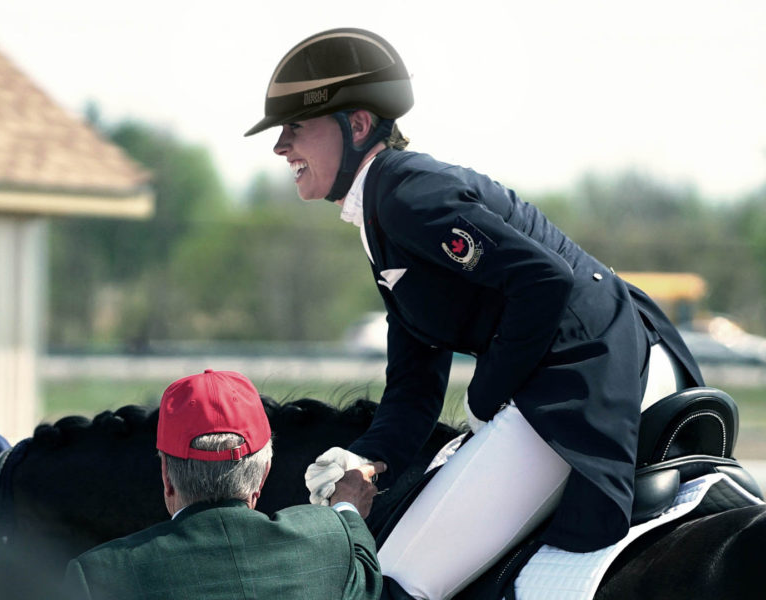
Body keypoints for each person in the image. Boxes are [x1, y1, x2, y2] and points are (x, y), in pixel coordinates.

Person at [245, 28, 705, 599]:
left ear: (357, 125)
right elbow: (416, 379)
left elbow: (543, 280)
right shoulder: (382, 215)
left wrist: (486, 401)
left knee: (393, 581)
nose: (280, 148)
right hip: (586, 358)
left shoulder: (406, 194)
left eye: (294, 128)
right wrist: (369, 457)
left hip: (588, 373)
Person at [62, 369, 385, 600]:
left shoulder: (98, 576)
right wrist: (347, 506)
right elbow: (366, 579)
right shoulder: (327, 541)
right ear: (262, 475)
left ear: (166, 478)